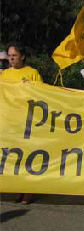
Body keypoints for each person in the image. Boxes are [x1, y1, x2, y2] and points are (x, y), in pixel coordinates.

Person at [1, 43, 42, 204]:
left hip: (26, 121)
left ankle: (28, 190)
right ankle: (17, 187)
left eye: (14, 55)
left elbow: (42, 95)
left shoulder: (32, 73)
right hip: (8, 121)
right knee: (13, 156)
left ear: (22, 56)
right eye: (10, 55)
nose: (11, 58)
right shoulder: (4, 75)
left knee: (27, 156)